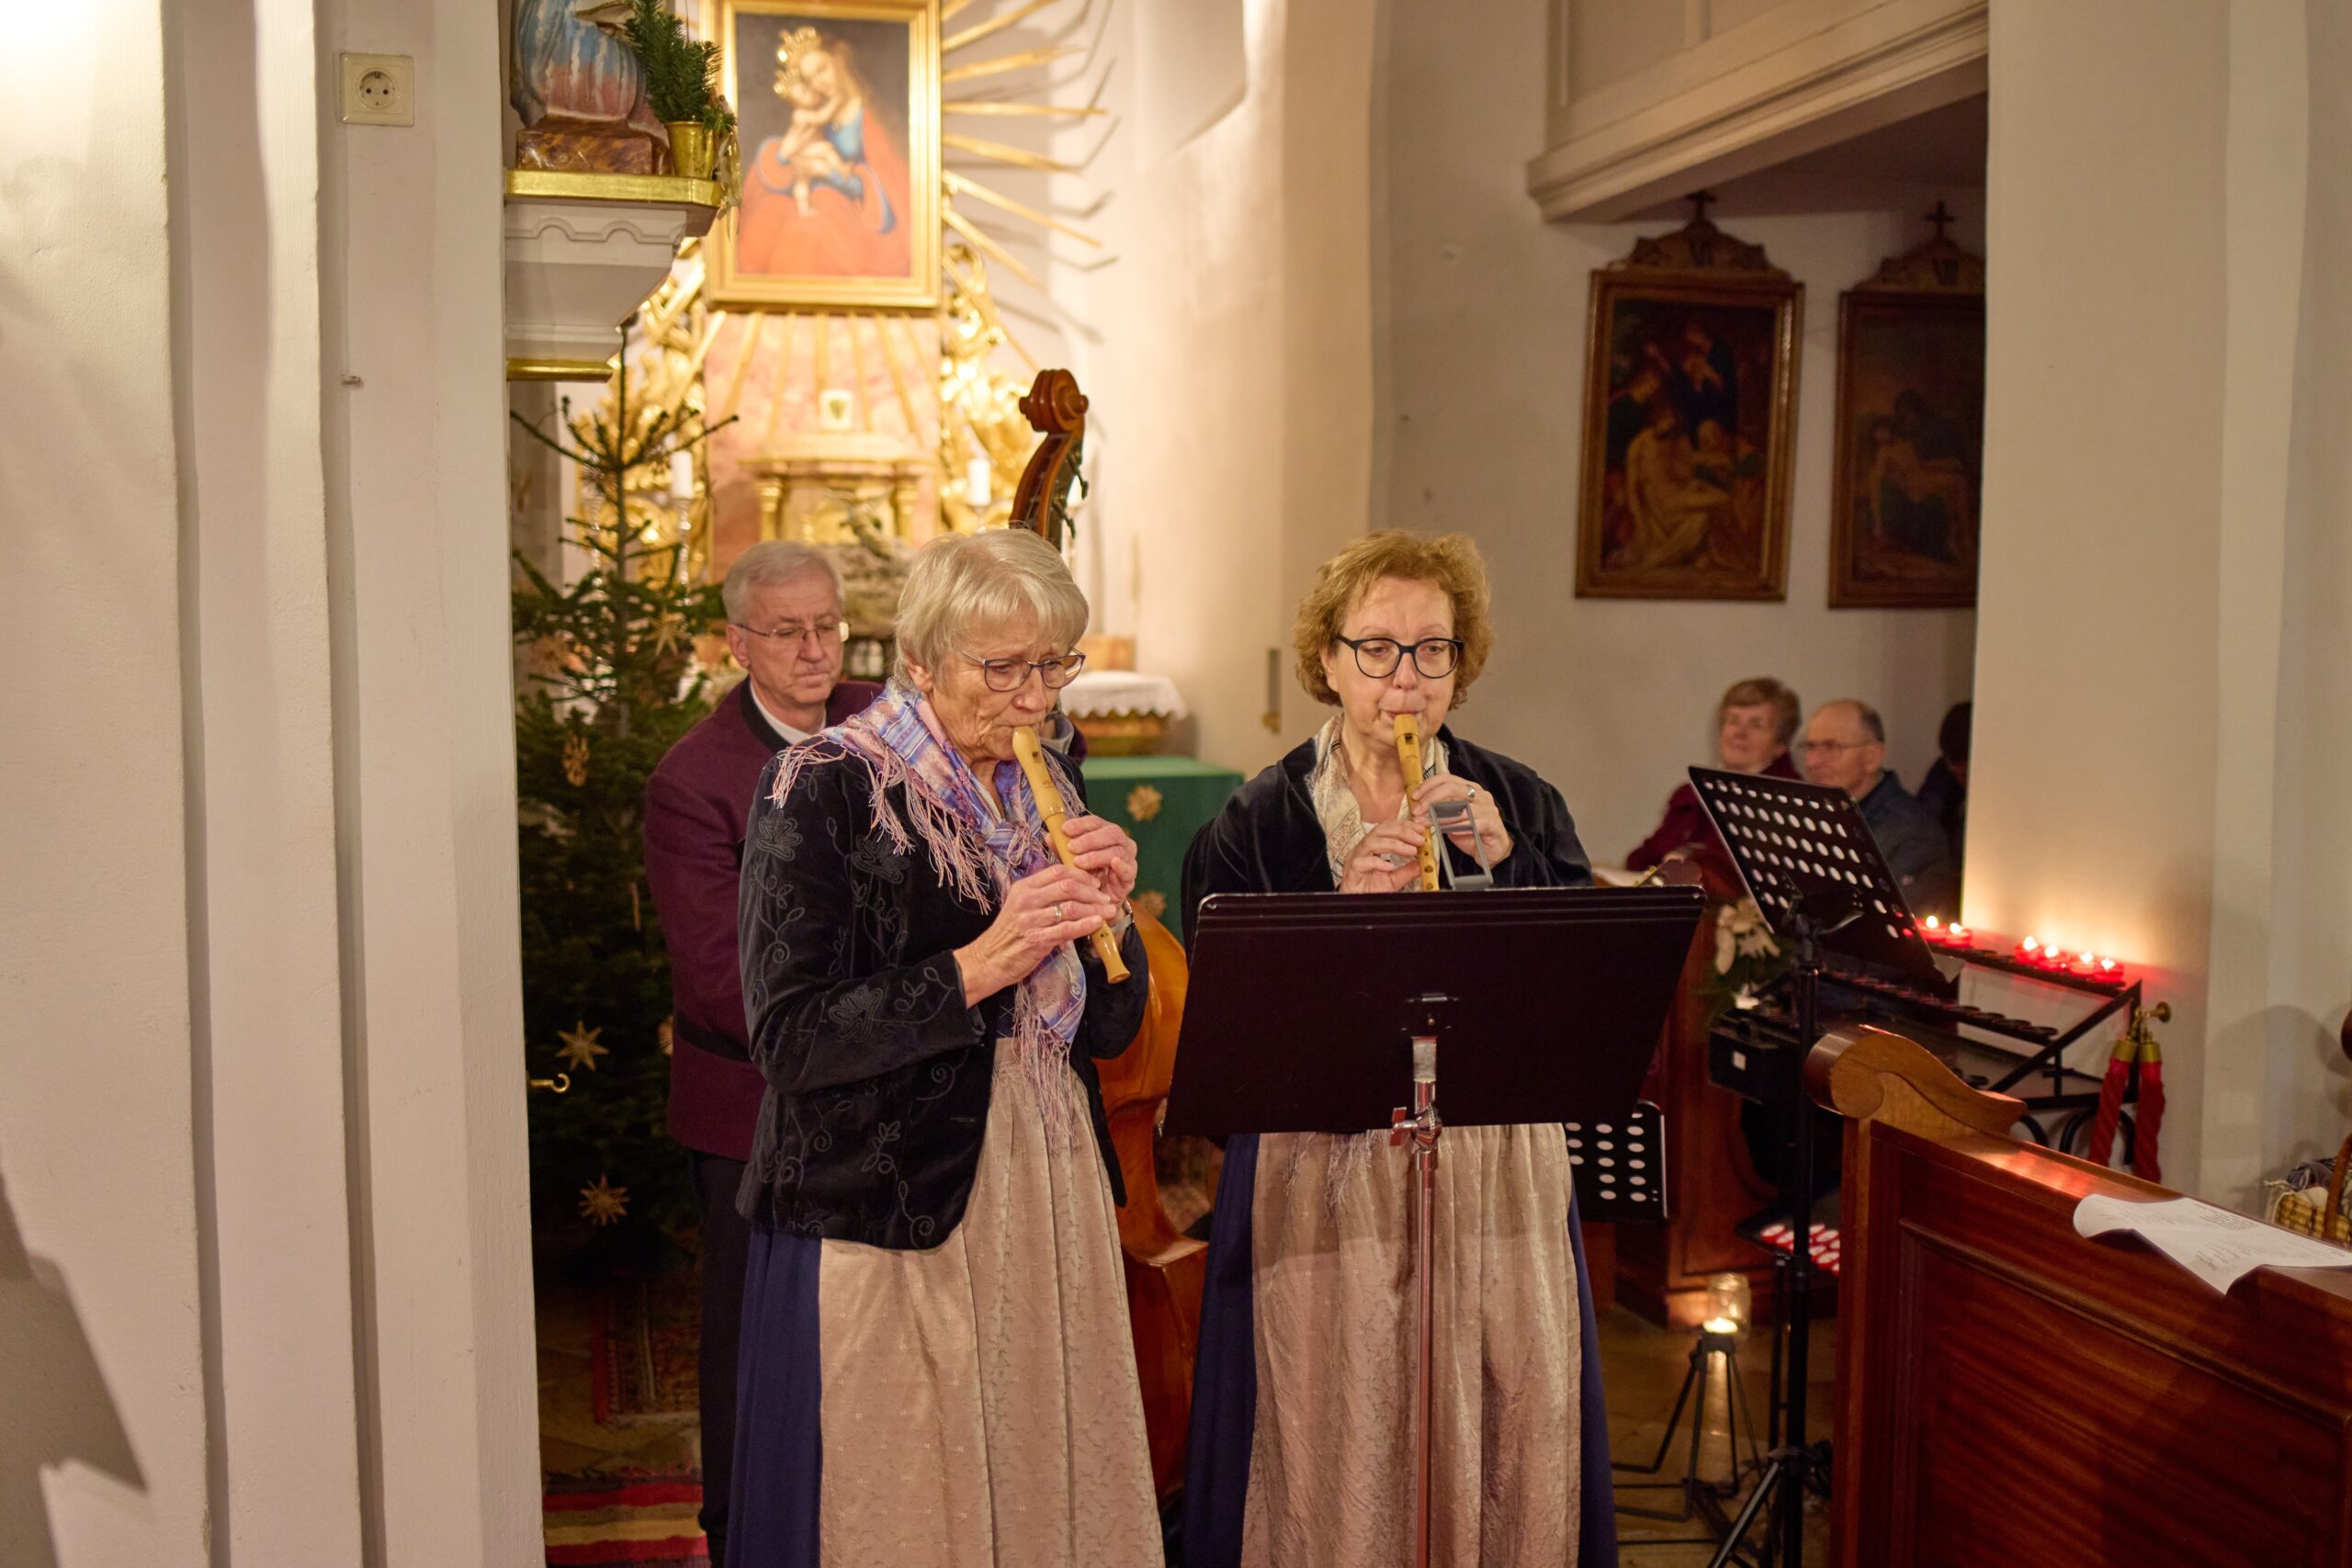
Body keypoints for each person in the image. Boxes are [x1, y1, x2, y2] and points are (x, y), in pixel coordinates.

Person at [1181, 531, 1614, 1568]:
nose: (1405, 679)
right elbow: (1229, 1020)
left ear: (1462, 664)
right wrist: (1341, 917)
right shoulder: (1258, 817)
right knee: (1334, 1421)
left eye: (1432, 650)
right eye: (1376, 649)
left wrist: (1505, 871)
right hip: (1320, 1170)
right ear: (1328, 661)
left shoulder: (1521, 800)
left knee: (1500, 1406)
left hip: (1489, 1166)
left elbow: (1582, 992)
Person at [726, 528, 1158, 1567]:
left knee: (1043, 1475)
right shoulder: (821, 784)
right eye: (1000, 668)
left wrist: (1117, 919)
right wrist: (980, 963)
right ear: (920, 661)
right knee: (910, 1501)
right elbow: (789, 1038)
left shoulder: (1047, 776)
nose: (1032, 698)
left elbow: (1107, 1030)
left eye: (1052, 665)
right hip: (890, 1202)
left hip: (1044, 1180)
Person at [641, 540, 881, 1568]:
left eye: (828, 625)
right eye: (787, 632)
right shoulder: (694, 779)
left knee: (868, 1333)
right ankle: (743, 1533)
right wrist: (876, 1021)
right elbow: (715, 976)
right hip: (755, 1107)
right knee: (754, 1337)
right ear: (737, 643)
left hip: (886, 1091)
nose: (816, 649)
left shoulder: (884, 719)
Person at [737, 28, 911, 280]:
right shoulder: (821, 116)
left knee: (808, 229)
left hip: (859, 220)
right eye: (810, 80)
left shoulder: (872, 121)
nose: (818, 83)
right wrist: (785, 158)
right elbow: (794, 157)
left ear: (839, 59)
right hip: (820, 198)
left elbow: (891, 193)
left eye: (821, 70)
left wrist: (832, 174)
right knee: (767, 216)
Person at [1627, 675, 1804, 874]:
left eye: (1756, 725)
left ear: (1781, 744)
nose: (1739, 733)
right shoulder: (1690, 793)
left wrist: (1691, 862)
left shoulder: (1790, 802)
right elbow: (1640, 859)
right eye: (1733, 721)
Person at [1799, 698, 1958, 916]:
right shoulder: (1813, 814)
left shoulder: (1914, 836)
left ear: (1871, 758)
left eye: (1831, 747)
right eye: (1810, 747)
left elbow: (1894, 927)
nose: (1812, 762)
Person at [1916, 699, 1971, 874]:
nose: (1961, 781)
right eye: (1956, 774)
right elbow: (1920, 827)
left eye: (1966, 774)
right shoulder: (1940, 775)